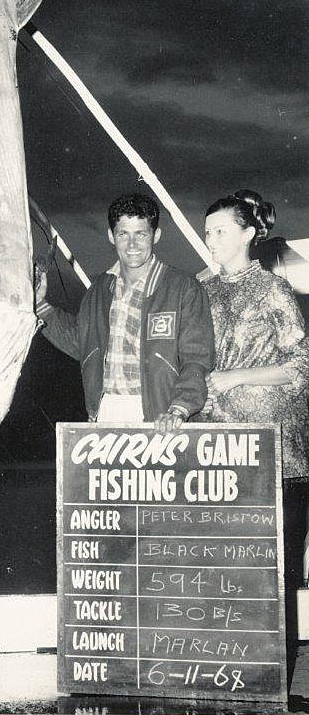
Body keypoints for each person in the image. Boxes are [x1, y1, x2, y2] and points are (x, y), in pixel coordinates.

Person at [198, 190, 309, 679]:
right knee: (227, 567)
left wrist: (239, 377)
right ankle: (233, 671)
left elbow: (300, 366)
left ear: (247, 234)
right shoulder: (199, 289)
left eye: (221, 231)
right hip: (219, 451)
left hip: (278, 456)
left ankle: (276, 679)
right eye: (207, 232)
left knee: (276, 572)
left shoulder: (273, 290)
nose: (212, 240)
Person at [35, 192, 213, 430]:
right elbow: (82, 343)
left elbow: (197, 358)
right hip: (105, 411)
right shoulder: (99, 289)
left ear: (156, 235)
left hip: (163, 415)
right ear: (111, 236)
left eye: (141, 234)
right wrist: (40, 306)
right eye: (123, 235)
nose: (132, 245)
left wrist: (179, 408)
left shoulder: (183, 288)